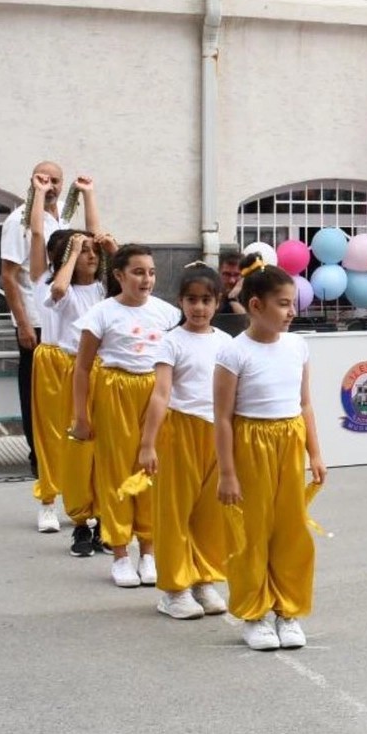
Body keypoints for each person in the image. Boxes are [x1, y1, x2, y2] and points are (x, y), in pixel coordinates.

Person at [214, 257, 326, 651]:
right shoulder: (234, 353)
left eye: (292, 303)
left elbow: (305, 403)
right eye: (282, 303)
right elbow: (223, 418)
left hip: (288, 440)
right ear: (256, 306)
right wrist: (227, 473)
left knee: (290, 530)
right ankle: (255, 612)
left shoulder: (298, 345)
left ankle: (288, 609)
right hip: (250, 442)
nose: (291, 312)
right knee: (253, 532)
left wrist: (315, 453)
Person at [71, 244, 181, 588]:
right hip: (115, 391)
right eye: (137, 272)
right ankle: (120, 551)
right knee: (115, 471)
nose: (146, 279)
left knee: (150, 469)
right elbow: (83, 368)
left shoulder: (167, 313)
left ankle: (148, 550)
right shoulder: (101, 314)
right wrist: (81, 416)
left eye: (150, 272)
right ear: (119, 275)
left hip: (155, 391)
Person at [137, 264, 231, 620]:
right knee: (175, 512)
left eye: (206, 300)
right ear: (180, 302)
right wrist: (148, 444)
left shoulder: (226, 343)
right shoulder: (170, 341)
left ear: (218, 302)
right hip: (179, 432)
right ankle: (174, 589)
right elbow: (160, 395)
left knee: (210, 513)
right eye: (191, 300)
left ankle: (203, 578)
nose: (199, 307)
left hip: (217, 433)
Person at [1, 165, 94, 478]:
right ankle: (39, 463)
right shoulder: (20, 220)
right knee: (36, 399)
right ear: (32, 181)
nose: (50, 185)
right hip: (37, 319)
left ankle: (68, 464)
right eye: (44, 180)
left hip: (65, 321)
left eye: (55, 180)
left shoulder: (61, 218)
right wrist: (24, 324)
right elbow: (10, 277)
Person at [30, 225, 106, 539]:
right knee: (52, 434)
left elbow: (116, 261)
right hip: (61, 362)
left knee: (90, 436)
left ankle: (89, 504)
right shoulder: (55, 285)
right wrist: (73, 252)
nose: (90, 256)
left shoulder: (103, 289)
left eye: (93, 252)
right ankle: (48, 500)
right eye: (82, 251)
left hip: (94, 367)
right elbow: (59, 289)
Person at [219, 249, 247, 315]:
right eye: (227, 274)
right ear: (219, 272)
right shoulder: (212, 294)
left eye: (236, 275)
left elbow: (246, 322)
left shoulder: (250, 297)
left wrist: (232, 299)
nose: (232, 280)